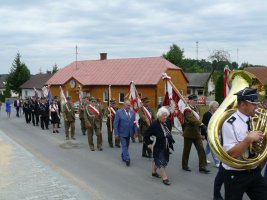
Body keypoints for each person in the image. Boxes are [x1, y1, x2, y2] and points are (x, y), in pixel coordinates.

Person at [222, 87, 267, 200]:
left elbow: (257, 143)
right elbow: (231, 155)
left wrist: (259, 143)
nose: (257, 108)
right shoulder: (230, 123)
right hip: (236, 174)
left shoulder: (254, 118)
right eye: (254, 104)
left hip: (254, 171)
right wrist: (248, 140)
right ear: (243, 105)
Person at [144, 107, 175, 186]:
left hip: (166, 145)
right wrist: (148, 143)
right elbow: (146, 134)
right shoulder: (155, 124)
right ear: (159, 116)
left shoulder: (167, 122)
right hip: (157, 145)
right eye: (164, 116)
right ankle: (165, 178)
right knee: (161, 161)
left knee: (158, 159)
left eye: (166, 115)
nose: (165, 117)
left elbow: (169, 131)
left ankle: (154, 172)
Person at [182, 94, 210, 174]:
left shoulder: (197, 109)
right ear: (190, 100)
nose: (195, 102)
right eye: (194, 100)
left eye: (196, 100)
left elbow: (199, 119)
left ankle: (202, 167)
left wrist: (202, 131)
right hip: (189, 133)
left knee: (201, 150)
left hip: (197, 133)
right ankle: (184, 165)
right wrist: (202, 125)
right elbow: (192, 119)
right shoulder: (187, 110)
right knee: (187, 150)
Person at [113, 100, 138, 166]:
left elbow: (135, 123)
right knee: (124, 145)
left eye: (129, 105)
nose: (129, 106)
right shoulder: (119, 112)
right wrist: (116, 134)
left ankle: (123, 155)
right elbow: (115, 123)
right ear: (124, 105)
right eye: (127, 105)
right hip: (121, 132)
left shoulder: (132, 112)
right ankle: (127, 159)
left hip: (129, 132)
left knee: (127, 146)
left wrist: (136, 132)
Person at [202, 101, 220, 167]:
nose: (217, 108)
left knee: (208, 148)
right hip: (208, 133)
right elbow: (203, 124)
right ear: (211, 107)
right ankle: (217, 162)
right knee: (213, 148)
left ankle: (203, 158)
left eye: (218, 107)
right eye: (216, 107)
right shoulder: (206, 114)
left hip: (214, 133)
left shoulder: (216, 114)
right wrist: (203, 134)